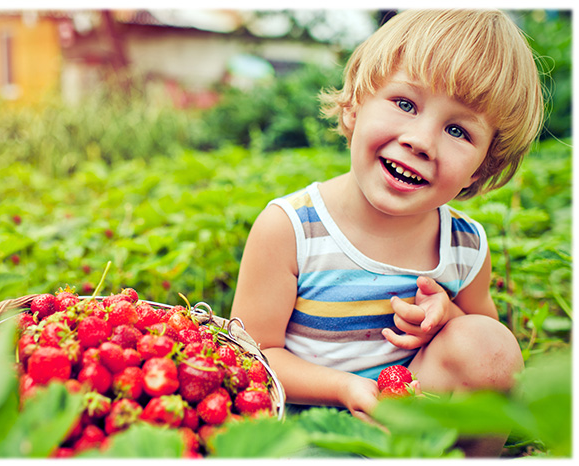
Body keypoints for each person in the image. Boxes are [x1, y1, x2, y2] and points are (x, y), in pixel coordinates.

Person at [230, 9, 544, 457]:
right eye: (406, 104)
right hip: (302, 432)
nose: (420, 140)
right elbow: (251, 356)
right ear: (356, 103)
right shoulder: (291, 228)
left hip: (410, 427)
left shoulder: (464, 246)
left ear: (482, 168)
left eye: (458, 130)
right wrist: (344, 389)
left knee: (492, 344)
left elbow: (488, 361)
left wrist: (450, 315)